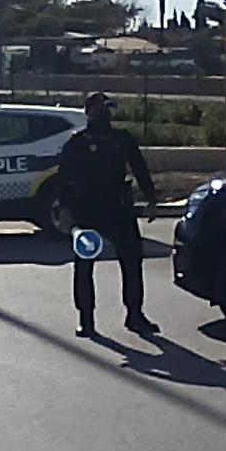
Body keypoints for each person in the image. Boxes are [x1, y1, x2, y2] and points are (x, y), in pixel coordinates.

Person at [58, 92, 159, 338]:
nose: (105, 114)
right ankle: (86, 319)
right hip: (88, 211)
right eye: (100, 109)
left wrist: (151, 198)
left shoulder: (121, 139)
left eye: (107, 109)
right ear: (88, 112)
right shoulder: (77, 142)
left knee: (132, 261)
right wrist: (65, 209)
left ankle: (135, 314)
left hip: (119, 208)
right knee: (84, 265)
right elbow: (64, 178)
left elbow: (139, 168)